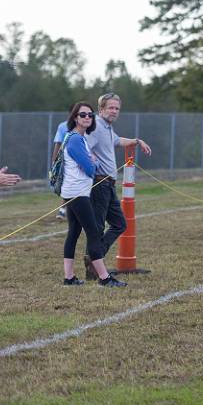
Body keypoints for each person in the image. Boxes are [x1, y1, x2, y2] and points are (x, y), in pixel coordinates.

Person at [84, 93, 152, 280]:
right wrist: (92, 158)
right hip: (99, 183)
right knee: (96, 227)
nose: (114, 111)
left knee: (120, 224)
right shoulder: (96, 126)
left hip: (109, 184)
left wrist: (137, 141)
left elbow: (117, 141)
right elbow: (84, 145)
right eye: (110, 107)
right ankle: (94, 266)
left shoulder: (107, 128)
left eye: (117, 108)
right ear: (101, 109)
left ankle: (94, 258)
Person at [60, 102, 126, 287]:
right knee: (94, 233)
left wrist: (91, 160)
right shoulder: (74, 139)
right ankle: (104, 278)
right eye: (82, 115)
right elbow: (89, 169)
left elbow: (86, 164)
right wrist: (94, 161)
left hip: (74, 191)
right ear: (75, 117)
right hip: (77, 193)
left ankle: (69, 277)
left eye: (90, 114)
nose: (87, 117)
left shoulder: (78, 138)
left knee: (74, 232)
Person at [51, 103, 76, 219]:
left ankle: (65, 210)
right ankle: (63, 209)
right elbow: (58, 144)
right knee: (68, 185)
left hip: (80, 161)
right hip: (66, 161)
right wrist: (54, 162)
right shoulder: (63, 126)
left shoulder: (86, 125)